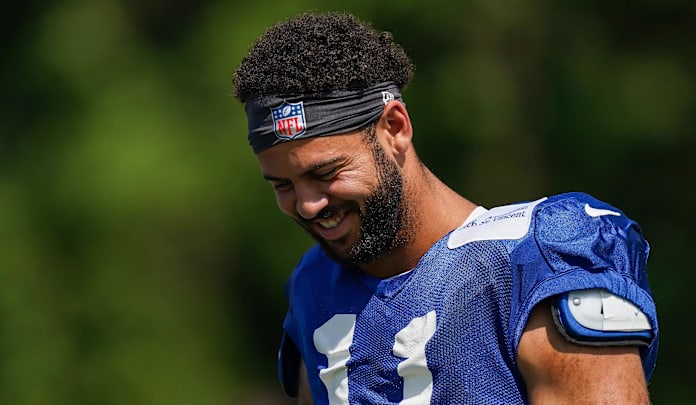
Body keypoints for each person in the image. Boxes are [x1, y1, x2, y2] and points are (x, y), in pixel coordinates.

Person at [232, 11, 658, 404]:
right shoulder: (315, 285)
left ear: (395, 128)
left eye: (326, 173)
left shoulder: (539, 259)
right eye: (282, 185)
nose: (307, 205)